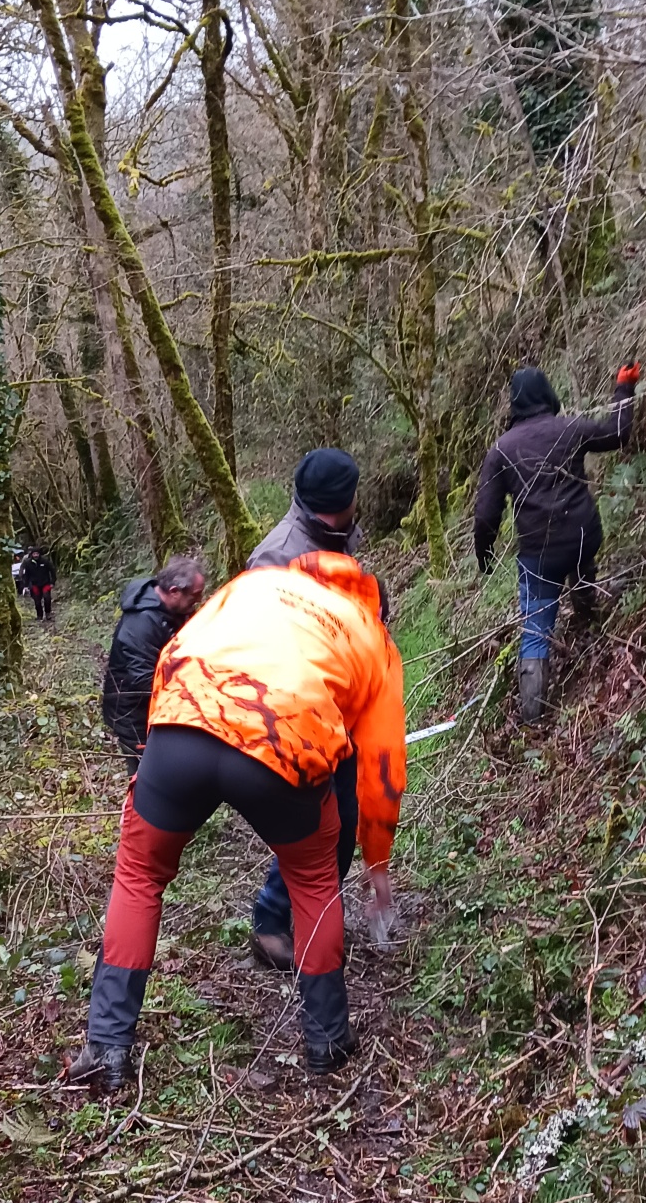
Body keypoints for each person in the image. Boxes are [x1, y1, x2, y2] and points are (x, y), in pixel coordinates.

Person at [73, 550, 405, 1091]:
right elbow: (382, 764)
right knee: (314, 883)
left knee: (139, 876)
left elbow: (176, 650)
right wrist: (377, 858)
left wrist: (158, 743)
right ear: (372, 607)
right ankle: (326, 1040)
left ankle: (107, 1047)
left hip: (183, 718)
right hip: (284, 742)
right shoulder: (371, 638)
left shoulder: (254, 584)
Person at [245, 449, 364, 969]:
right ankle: (275, 920)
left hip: (344, 707)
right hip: (298, 718)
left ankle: (306, 914)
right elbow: (263, 647)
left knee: (345, 823)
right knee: (317, 828)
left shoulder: (340, 535)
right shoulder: (276, 557)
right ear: (337, 503)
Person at [473, 360, 640, 723]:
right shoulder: (569, 428)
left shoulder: (501, 450)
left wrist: (483, 552)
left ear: (514, 403)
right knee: (581, 569)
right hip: (583, 533)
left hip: (540, 553)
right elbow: (617, 433)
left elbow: (486, 514)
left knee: (535, 630)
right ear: (547, 393)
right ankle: (588, 619)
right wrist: (624, 388)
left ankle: (532, 718)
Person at [100, 553, 207, 772]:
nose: (198, 602)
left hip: (156, 707)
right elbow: (144, 680)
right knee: (145, 773)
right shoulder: (141, 624)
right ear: (174, 592)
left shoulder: (172, 610)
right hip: (133, 713)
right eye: (195, 596)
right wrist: (189, 694)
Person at [18, 545, 56, 621]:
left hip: (45, 583)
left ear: (39, 554)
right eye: (34, 554)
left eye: (37, 554)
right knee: (37, 600)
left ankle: (48, 614)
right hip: (34, 584)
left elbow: (52, 570)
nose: (35, 555)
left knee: (47, 598)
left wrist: (52, 582)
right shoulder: (28, 562)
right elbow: (26, 574)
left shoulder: (45, 561)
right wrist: (25, 585)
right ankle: (39, 615)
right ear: (31, 554)